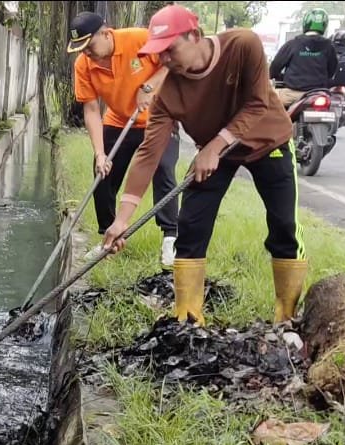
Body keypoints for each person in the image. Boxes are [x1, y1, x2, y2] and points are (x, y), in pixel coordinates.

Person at [101, 5, 307, 327]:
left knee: (284, 227)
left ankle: (287, 318)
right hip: (215, 156)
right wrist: (122, 219)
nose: (165, 61)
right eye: (159, 54)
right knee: (191, 226)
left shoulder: (243, 45)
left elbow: (258, 102)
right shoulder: (167, 95)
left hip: (269, 143)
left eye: (170, 50)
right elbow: (148, 153)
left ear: (194, 36)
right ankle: (188, 318)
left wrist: (215, 144)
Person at [68, 11, 182, 269]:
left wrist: (150, 86)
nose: (87, 53)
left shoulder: (139, 39)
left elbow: (172, 59)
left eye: (90, 45)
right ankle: (109, 237)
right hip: (120, 119)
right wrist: (99, 153)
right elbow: (91, 110)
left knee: (163, 168)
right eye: (81, 49)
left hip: (159, 117)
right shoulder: (83, 65)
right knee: (102, 173)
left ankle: (170, 237)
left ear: (106, 33)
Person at [270, 8, 339, 107]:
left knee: (270, 105)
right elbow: (332, 70)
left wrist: (275, 76)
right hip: (318, 93)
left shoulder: (293, 43)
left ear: (306, 23)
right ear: (324, 25)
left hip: (292, 94)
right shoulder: (329, 46)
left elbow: (275, 66)